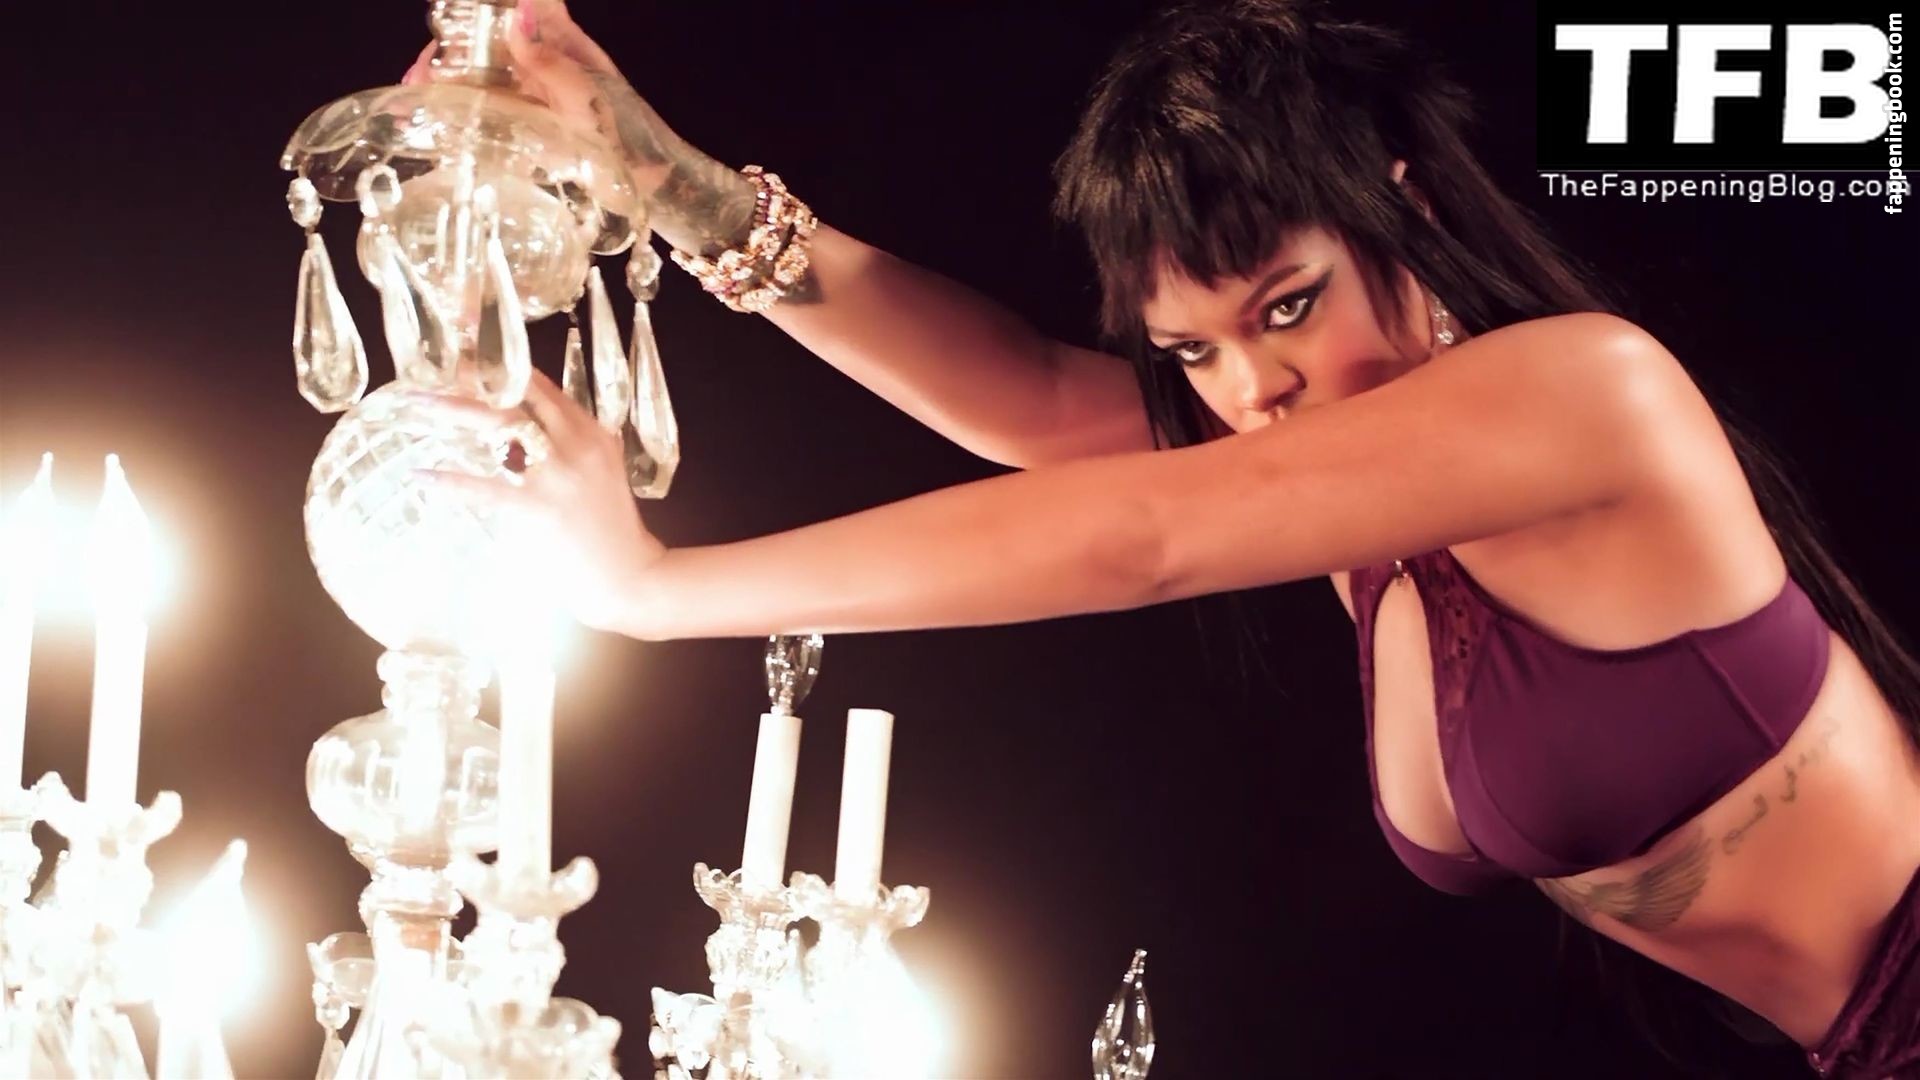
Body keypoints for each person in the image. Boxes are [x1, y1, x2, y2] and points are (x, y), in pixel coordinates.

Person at [409, 1, 1920, 1073]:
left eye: (1288, 306)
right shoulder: (1335, 464)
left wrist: (654, 590)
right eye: (1193, 352)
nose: (1253, 392)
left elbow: (1140, 537)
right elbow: (1029, 400)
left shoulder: (1585, 395)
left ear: (1399, 209)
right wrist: (656, 177)